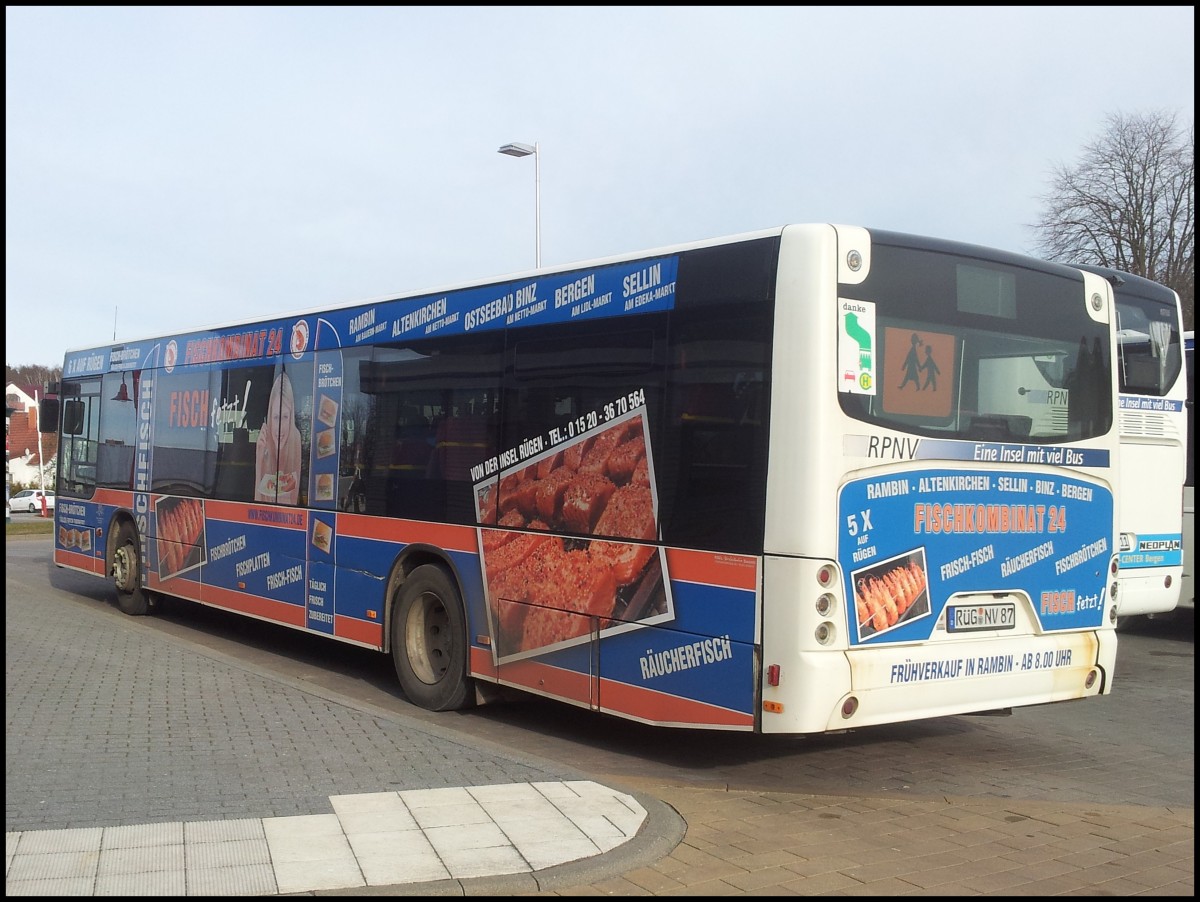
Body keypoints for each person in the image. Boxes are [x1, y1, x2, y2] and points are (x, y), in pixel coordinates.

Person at [255, 372, 302, 504]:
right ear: (270, 418)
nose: (280, 427)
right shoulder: (264, 441)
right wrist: (259, 457)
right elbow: (256, 503)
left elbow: (295, 501)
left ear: (291, 417)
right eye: (276, 417)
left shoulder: (295, 437)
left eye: (285, 417)